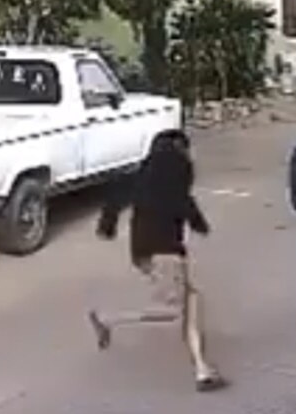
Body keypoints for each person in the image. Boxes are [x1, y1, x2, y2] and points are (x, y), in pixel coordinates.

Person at [87, 129, 224, 392]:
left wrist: (108, 226)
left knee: (193, 301)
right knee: (173, 310)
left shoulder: (142, 174)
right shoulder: (176, 177)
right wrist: (200, 224)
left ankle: (202, 369)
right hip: (166, 251)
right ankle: (107, 318)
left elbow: (115, 197)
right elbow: (184, 204)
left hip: (142, 250)